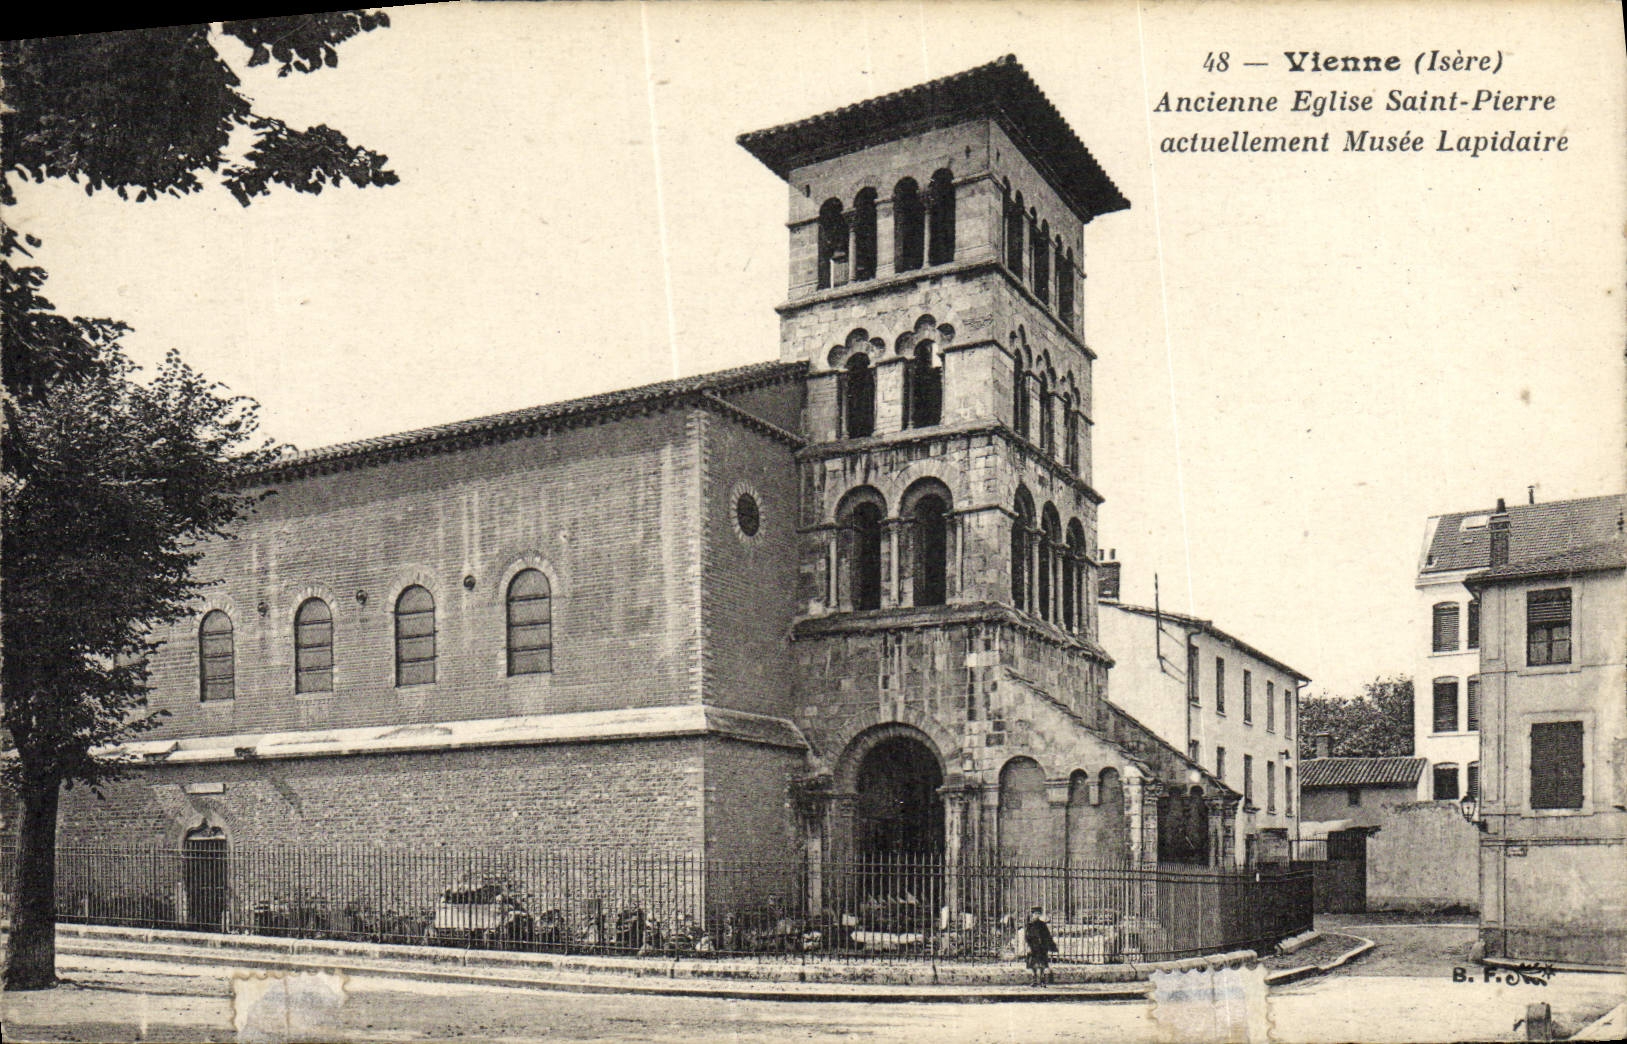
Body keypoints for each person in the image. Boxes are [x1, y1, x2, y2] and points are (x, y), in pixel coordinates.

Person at [1023, 906, 1058, 986]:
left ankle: (1042, 979)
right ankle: (1034, 979)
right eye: (1035, 914)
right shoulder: (1029, 924)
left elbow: (1047, 935)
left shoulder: (1042, 924)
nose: (1037, 915)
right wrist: (1028, 946)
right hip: (1033, 946)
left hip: (1041, 946)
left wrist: (1050, 945)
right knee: (1032, 964)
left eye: (1038, 914)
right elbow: (1027, 936)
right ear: (1032, 914)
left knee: (1042, 964)